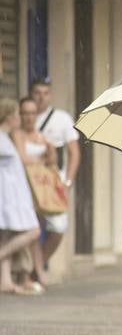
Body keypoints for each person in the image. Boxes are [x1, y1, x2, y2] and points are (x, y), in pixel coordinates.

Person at [30, 80, 80, 269]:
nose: (41, 97)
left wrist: (68, 182)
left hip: (53, 181)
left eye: (45, 93)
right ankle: (29, 270)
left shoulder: (62, 118)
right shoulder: (25, 116)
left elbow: (74, 152)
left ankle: (38, 265)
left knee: (58, 226)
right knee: (31, 228)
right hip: (29, 180)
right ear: (31, 94)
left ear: (50, 95)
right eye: (37, 93)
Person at [11, 96, 57, 292]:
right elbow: (22, 158)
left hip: (38, 191)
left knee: (36, 232)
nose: (29, 117)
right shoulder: (17, 134)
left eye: (32, 113)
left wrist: (50, 152)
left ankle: (36, 271)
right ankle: (26, 273)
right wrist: (42, 161)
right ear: (20, 115)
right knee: (26, 231)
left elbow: (52, 162)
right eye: (25, 113)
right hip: (20, 188)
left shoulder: (41, 136)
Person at [0, 98, 44, 295]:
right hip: (11, 199)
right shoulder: (2, 139)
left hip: (14, 198)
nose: (20, 118)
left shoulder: (6, 138)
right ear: (10, 117)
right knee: (33, 231)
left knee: (7, 236)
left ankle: (5, 281)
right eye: (18, 114)